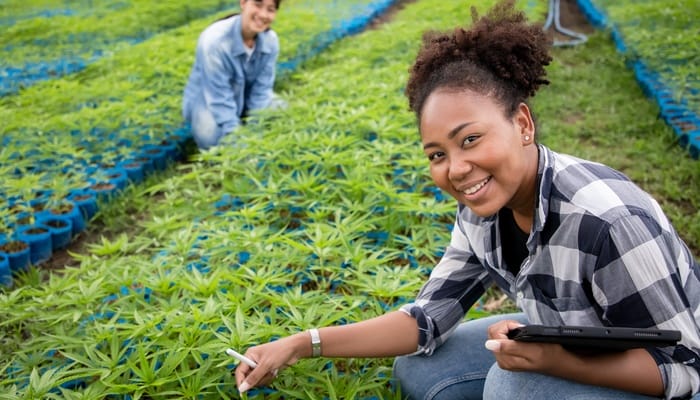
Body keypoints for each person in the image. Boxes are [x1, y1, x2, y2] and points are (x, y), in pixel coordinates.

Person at [233, 1, 700, 399]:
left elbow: (684, 366)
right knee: (420, 367)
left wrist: (554, 361)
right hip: (574, 334)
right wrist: (302, 342)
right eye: (438, 154)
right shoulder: (482, 210)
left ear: (522, 124)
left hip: (664, 369)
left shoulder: (608, 220)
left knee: (511, 387)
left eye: (471, 139)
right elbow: (425, 320)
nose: (455, 169)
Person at [182, 0, 284, 150]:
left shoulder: (270, 40)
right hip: (209, 102)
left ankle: (242, 123)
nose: (263, 14)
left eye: (270, 9)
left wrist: (255, 132)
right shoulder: (215, 40)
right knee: (210, 135)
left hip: (245, 100)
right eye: (257, 4)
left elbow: (262, 91)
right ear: (243, 3)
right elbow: (219, 99)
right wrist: (240, 143)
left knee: (282, 111)